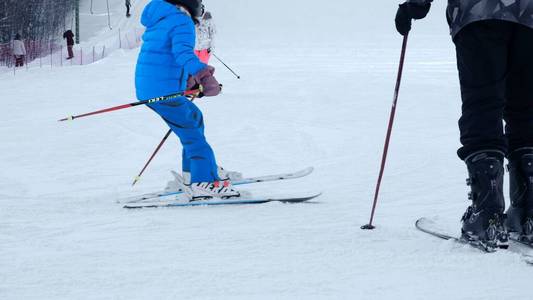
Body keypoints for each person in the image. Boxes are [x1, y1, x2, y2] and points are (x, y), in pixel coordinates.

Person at [395, 0, 533, 249]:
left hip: (478, 13)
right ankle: (528, 215)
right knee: (526, 110)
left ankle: (486, 215)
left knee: (483, 104)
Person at [135, 0, 240, 200]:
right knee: (192, 134)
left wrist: (188, 81)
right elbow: (182, 54)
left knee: (193, 117)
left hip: (152, 87)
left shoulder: (161, 18)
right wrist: (204, 76)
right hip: (163, 90)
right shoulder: (181, 20)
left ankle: (192, 172)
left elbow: (166, 56)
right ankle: (204, 182)